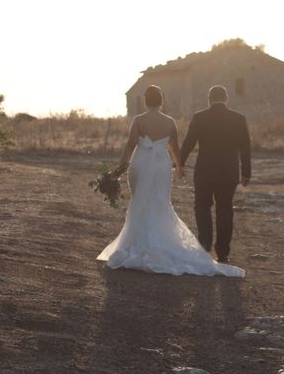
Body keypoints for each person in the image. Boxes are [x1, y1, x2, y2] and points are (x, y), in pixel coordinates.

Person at [97, 85, 244, 277]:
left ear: (145, 101)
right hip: (161, 166)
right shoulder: (169, 122)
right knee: (160, 201)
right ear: (162, 101)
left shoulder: (139, 120)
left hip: (140, 164)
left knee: (140, 200)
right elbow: (174, 148)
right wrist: (179, 167)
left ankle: (136, 243)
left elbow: (131, 144)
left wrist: (119, 168)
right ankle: (161, 243)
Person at [180, 85, 251, 263]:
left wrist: (178, 164)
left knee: (202, 206)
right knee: (225, 209)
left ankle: (205, 244)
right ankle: (222, 253)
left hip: (205, 170)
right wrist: (246, 172)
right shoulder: (239, 119)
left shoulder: (200, 117)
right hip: (229, 171)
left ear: (209, 99)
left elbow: (188, 143)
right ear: (226, 98)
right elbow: (245, 148)